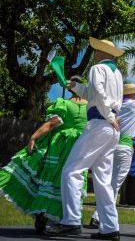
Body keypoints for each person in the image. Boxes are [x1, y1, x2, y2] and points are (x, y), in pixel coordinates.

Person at [45, 37, 124, 241]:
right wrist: (76, 87)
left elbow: (98, 93)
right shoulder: (117, 73)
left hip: (100, 123)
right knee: (103, 180)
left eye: (96, 50)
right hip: (112, 129)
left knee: (71, 170)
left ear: (101, 53)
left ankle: (71, 221)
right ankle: (110, 227)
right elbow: (93, 93)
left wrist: (108, 115)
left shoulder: (97, 69)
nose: (94, 53)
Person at [0, 76, 87, 234]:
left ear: (69, 88)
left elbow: (52, 123)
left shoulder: (65, 103)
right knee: (73, 182)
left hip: (61, 146)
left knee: (51, 179)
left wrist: (33, 137)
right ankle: (66, 218)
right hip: (82, 146)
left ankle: (44, 216)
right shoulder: (91, 107)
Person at [88, 83, 135, 228]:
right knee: (114, 184)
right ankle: (100, 217)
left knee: (106, 182)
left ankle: (98, 215)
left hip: (107, 145)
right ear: (133, 94)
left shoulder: (113, 104)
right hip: (124, 147)